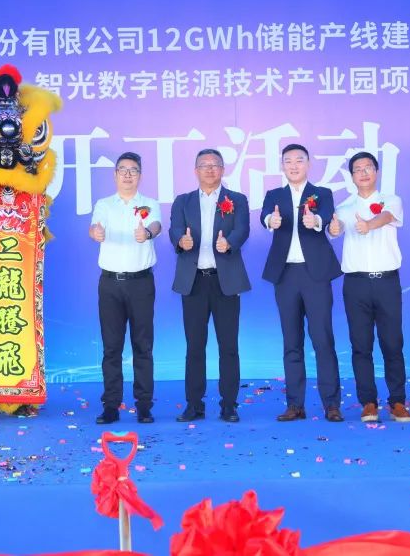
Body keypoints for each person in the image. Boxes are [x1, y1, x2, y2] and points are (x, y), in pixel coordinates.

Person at [260, 144, 343, 422]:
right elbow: (265, 217)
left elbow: (326, 215)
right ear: (282, 166)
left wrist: (315, 220)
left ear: (308, 164)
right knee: (291, 341)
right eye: (288, 161)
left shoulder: (322, 193)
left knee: (322, 340)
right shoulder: (274, 195)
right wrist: (270, 220)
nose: (293, 165)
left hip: (315, 274)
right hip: (285, 275)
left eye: (299, 160)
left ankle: (331, 404)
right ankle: (295, 405)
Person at [169, 149, 251, 423]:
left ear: (222, 170)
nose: (209, 169)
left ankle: (229, 405)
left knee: (229, 346)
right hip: (193, 282)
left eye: (215, 165)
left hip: (225, 281)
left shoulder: (236, 200)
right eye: (204, 165)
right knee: (195, 346)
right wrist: (181, 241)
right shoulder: (183, 201)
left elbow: (242, 230)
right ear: (195, 171)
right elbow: (174, 229)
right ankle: (194, 405)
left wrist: (230, 243)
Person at [328, 152, 410, 423]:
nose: (363, 173)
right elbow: (336, 229)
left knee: (392, 343)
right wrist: (334, 229)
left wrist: (368, 225)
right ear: (351, 176)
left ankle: (397, 401)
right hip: (356, 284)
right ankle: (369, 403)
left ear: (376, 172)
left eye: (368, 168)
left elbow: (386, 217)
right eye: (357, 169)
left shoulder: (391, 199)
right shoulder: (344, 207)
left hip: (386, 281)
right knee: (360, 345)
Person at [89, 152, 162, 424]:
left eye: (133, 170)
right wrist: (95, 232)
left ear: (140, 175)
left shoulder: (149, 203)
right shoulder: (104, 204)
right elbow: (94, 227)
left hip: (141, 283)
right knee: (111, 348)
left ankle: (144, 405)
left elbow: (156, 224)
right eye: (123, 170)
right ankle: (111, 405)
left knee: (143, 346)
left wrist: (148, 233)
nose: (128, 175)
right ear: (115, 175)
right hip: (110, 284)